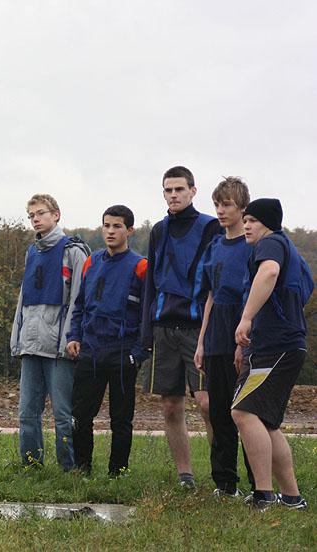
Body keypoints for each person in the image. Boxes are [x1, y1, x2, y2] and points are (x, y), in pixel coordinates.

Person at [141, 166, 221, 488]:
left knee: (206, 402)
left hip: (198, 328)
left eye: (179, 189)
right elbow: (150, 282)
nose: (173, 195)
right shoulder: (158, 231)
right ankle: (185, 475)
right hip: (163, 327)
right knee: (171, 405)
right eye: (167, 190)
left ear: (192, 191)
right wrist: (146, 330)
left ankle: (222, 474)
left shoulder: (210, 227)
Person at [232, 198, 312, 510]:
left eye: (252, 220)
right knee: (266, 421)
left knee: (243, 412)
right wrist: (244, 344)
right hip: (276, 346)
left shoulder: (271, 244)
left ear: (267, 223)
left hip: (277, 347)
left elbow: (268, 273)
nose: (247, 225)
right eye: (246, 220)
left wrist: (246, 318)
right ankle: (292, 498)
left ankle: (263, 496)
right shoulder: (282, 244)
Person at [67, 205, 147, 477]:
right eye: (106, 226)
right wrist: (74, 336)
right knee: (80, 415)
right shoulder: (92, 261)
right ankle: (82, 468)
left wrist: (138, 353)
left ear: (129, 231)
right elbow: (79, 304)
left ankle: (118, 473)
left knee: (121, 419)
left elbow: (148, 315)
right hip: (90, 349)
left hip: (123, 354)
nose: (110, 231)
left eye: (117, 226)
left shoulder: (140, 266)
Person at [10, 194, 89, 470]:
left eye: (40, 213)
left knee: (62, 414)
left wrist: (72, 337)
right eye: (31, 215)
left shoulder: (73, 251)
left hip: (59, 347)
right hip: (30, 344)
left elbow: (79, 298)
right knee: (27, 413)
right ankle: (31, 466)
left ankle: (69, 469)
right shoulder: (31, 252)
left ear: (56, 214)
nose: (35, 219)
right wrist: (16, 338)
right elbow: (23, 299)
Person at [193, 177, 255, 497]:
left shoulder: (252, 245)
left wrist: (244, 341)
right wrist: (202, 342)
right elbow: (211, 296)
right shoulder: (214, 246)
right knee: (218, 413)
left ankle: (259, 487)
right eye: (217, 204)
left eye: (227, 204)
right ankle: (225, 484)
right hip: (216, 331)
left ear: (242, 207)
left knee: (245, 413)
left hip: (243, 328)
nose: (220, 210)